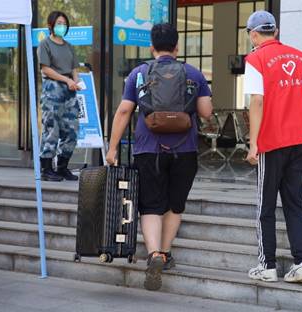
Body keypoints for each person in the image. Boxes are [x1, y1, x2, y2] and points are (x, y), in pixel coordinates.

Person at [106, 23, 212, 291]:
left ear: (151, 47)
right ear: (177, 47)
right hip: (184, 149)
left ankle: (153, 254)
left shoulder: (139, 74)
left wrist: (112, 148)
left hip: (147, 148)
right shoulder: (193, 73)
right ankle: (165, 253)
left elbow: (123, 112)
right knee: (175, 205)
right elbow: (206, 112)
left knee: (150, 204)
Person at [243, 11, 302, 283]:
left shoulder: (256, 58)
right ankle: (301, 262)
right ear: (276, 32)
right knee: (294, 204)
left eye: (251, 35)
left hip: (272, 141)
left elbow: (257, 101)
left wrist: (253, 143)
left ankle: (267, 265)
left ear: (254, 34)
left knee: (265, 206)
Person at [38, 11, 81, 182]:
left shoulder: (69, 46)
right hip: (53, 89)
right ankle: (46, 169)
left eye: (64, 23)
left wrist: (76, 81)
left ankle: (62, 167)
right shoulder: (45, 44)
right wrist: (66, 79)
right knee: (51, 129)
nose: (62, 26)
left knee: (72, 130)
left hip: (70, 92)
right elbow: (45, 69)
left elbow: (74, 69)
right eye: (59, 23)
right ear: (51, 25)